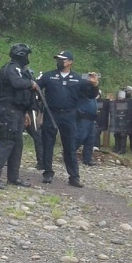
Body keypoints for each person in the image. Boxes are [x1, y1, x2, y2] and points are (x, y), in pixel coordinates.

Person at [36, 50, 99, 187]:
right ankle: (47, 172)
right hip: (51, 113)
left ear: (70, 62)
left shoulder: (78, 79)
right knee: (48, 144)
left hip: (69, 115)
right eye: (58, 59)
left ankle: (74, 177)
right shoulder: (48, 76)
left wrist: (94, 85)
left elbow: (91, 95)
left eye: (62, 59)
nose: (59, 61)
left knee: (70, 146)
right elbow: (35, 88)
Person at [0, 44, 36, 189]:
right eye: (27, 55)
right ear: (21, 55)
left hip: (18, 111)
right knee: (6, 142)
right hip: (8, 111)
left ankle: (13, 177)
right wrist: (31, 83)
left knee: (17, 144)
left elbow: (23, 94)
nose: (28, 58)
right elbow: (16, 83)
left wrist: (26, 112)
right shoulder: (11, 68)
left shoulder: (22, 70)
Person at [76, 90, 100, 166]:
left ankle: (87, 159)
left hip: (92, 119)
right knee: (80, 138)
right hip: (83, 118)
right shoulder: (82, 93)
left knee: (90, 139)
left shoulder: (92, 96)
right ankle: (69, 155)